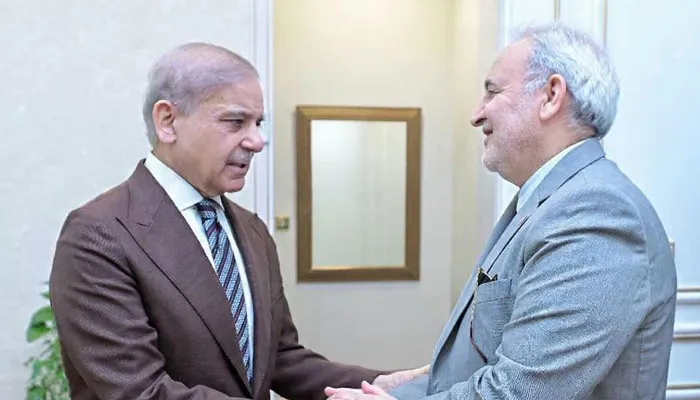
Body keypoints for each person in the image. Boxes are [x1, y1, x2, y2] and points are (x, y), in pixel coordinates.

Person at [49, 42, 427, 400]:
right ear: (167, 121)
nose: (256, 141)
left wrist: (380, 384)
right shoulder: (99, 235)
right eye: (235, 122)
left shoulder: (252, 230)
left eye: (257, 123)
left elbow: (280, 358)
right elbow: (141, 391)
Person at [325, 21, 677, 400]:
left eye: (492, 92)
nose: (476, 115)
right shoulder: (549, 202)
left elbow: (522, 391)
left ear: (551, 96)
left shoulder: (596, 212)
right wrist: (405, 390)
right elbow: (493, 360)